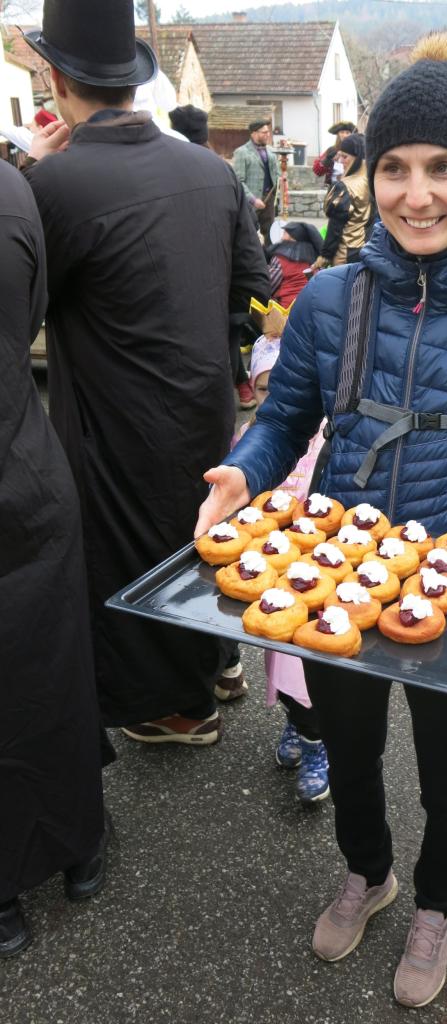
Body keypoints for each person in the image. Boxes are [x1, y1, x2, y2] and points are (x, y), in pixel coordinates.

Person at [196, 32, 447, 1009]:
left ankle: (434, 906)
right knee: (352, 751)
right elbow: (284, 419)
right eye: (395, 167)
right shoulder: (330, 300)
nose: (417, 194)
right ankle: (367, 872)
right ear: (370, 175)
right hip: (337, 576)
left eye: (443, 167)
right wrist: (243, 470)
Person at [24, 0, 270, 746]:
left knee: (132, 552)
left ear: (58, 81)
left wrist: (31, 173)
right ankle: (221, 665)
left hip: (115, 416)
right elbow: (253, 288)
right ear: (134, 81)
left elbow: (22, 297)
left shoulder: (55, 186)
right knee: (203, 531)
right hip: (204, 399)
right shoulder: (211, 170)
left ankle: (179, 708)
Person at [0, 160, 108, 958]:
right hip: (27, 464)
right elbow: (30, 309)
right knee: (54, 664)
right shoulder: (12, 190)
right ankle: (77, 845)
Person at [233, 331, 329, 803]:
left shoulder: (328, 439)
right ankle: (298, 723)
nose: (274, 398)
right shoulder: (248, 440)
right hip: (273, 576)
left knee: (309, 667)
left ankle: (317, 742)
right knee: (279, 660)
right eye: (264, 388)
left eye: (285, 387)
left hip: (320, 578)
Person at [169, 103, 258, 411]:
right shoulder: (220, 169)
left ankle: (229, 397)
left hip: (190, 281)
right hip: (226, 279)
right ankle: (240, 390)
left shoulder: (168, 170)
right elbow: (248, 233)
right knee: (225, 343)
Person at [311, 133, 371, 270]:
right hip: (369, 251)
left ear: (357, 158)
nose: (340, 161)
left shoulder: (345, 186)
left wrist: (325, 256)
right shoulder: (374, 181)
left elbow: (335, 227)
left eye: (345, 157)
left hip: (346, 254)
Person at [232, 119, 280, 246]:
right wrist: (253, 200)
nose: (267, 135)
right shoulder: (241, 152)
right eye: (264, 132)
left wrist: (280, 190)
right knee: (249, 235)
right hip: (250, 203)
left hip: (269, 200)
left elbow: (277, 176)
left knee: (270, 234)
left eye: (268, 132)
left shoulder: (271, 152)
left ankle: (269, 257)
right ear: (254, 133)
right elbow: (238, 181)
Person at [267, 221, 324, 307]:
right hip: (311, 305)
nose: (281, 237)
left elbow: (268, 286)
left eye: (284, 233)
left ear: (293, 237)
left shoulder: (280, 258)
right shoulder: (315, 259)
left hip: (287, 308)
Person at [313, 120, 357, 186]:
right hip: (333, 187)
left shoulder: (356, 150)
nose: (345, 135)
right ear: (338, 134)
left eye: (347, 133)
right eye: (342, 132)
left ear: (351, 134)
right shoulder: (331, 150)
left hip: (352, 187)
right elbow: (317, 171)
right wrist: (328, 160)